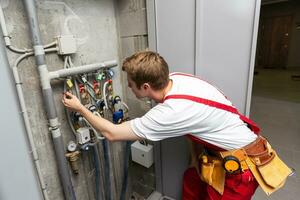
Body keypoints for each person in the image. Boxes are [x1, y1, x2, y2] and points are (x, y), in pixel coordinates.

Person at [62, 51, 287, 200]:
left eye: (131, 85)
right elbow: (194, 125)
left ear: (146, 86)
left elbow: (110, 133)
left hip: (241, 170)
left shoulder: (170, 112)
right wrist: (195, 158)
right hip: (221, 154)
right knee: (191, 181)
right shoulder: (177, 78)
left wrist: (81, 108)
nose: (129, 89)